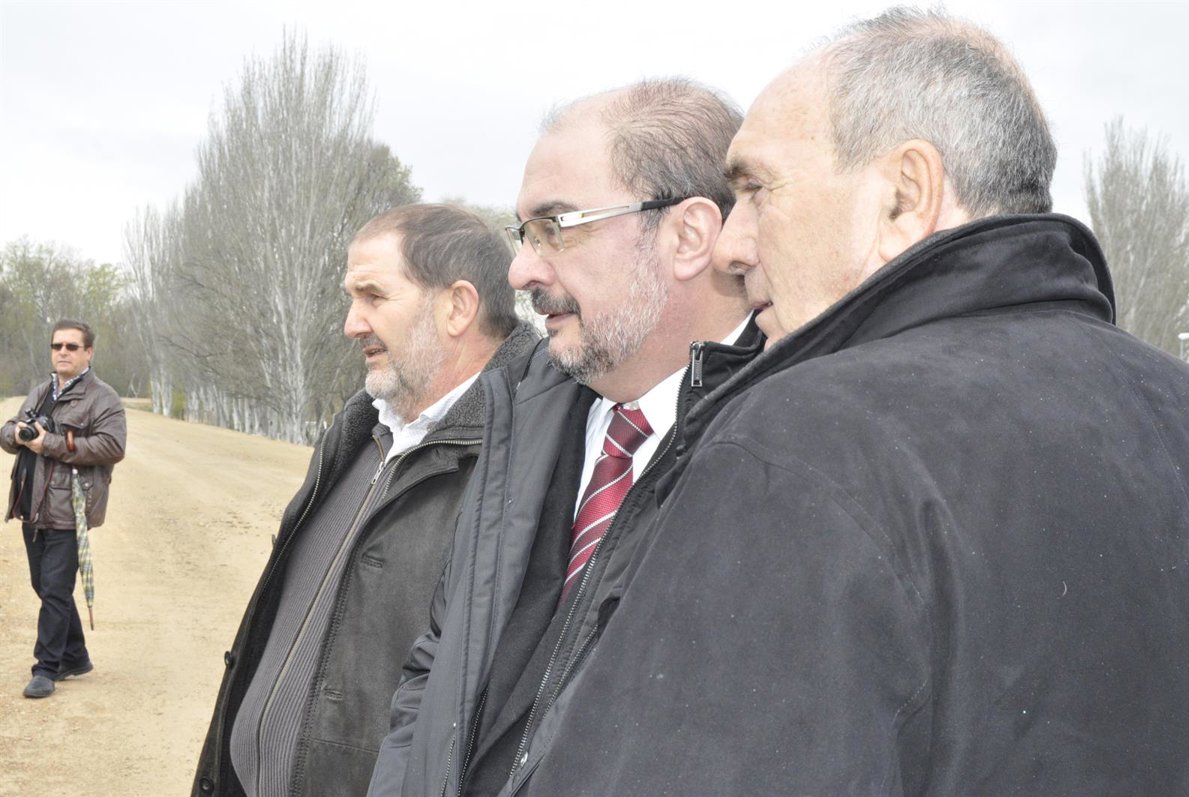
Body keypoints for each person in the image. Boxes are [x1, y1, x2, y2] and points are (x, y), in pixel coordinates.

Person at [514, 8, 1189, 796]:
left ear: (905, 197)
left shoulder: (804, 440)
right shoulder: (1180, 409)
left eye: (756, 190)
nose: (732, 248)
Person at [367, 78, 761, 796]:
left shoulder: (782, 458)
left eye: (557, 226)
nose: (521, 269)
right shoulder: (521, 415)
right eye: (525, 233)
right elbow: (434, 670)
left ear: (689, 235)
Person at [192, 204, 540, 797]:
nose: (352, 324)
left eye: (373, 296)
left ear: (458, 307)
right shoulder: (362, 429)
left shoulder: (525, 461)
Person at [2, 319, 126, 700]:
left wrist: (51, 443)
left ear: (88, 352)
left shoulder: (103, 397)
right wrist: (15, 434)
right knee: (44, 585)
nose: (63, 352)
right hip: (31, 505)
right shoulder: (41, 391)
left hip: (69, 509)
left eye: (72, 346)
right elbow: (9, 430)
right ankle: (74, 655)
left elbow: (112, 446)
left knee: (55, 589)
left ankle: (46, 668)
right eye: (57, 346)